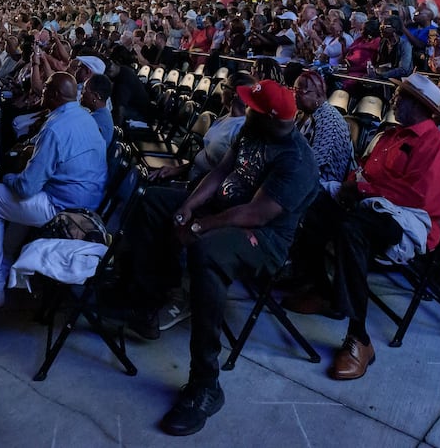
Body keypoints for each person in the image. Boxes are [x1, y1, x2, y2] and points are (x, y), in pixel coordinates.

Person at [118, 79, 317, 437]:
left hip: (263, 239)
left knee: (207, 251)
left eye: (253, 107)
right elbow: (221, 171)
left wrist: (200, 226)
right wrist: (188, 206)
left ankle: (205, 384)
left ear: (272, 118)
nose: (246, 110)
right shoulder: (251, 130)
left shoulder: (297, 161)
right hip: (224, 209)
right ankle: (148, 301)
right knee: (153, 202)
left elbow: (256, 213)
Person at [288, 74, 440, 381]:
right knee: (311, 204)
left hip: (407, 221)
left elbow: (420, 198)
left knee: (350, 229)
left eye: (401, 96)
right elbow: (361, 172)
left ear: (420, 106)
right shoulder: (392, 136)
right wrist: (353, 188)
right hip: (370, 207)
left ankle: (359, 338)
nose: (394, 100)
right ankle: (324, 290)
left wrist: (363, 191)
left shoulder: (436, 147)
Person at [0, 72, 107, 309]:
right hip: (85, 202)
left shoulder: (56, 128)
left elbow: (26, 187)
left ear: (55, 95)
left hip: (65, 212)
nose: (41, 91)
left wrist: (7, 177)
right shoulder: (83, 116)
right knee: (15, 199)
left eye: (46, 88)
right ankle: (3, 263)